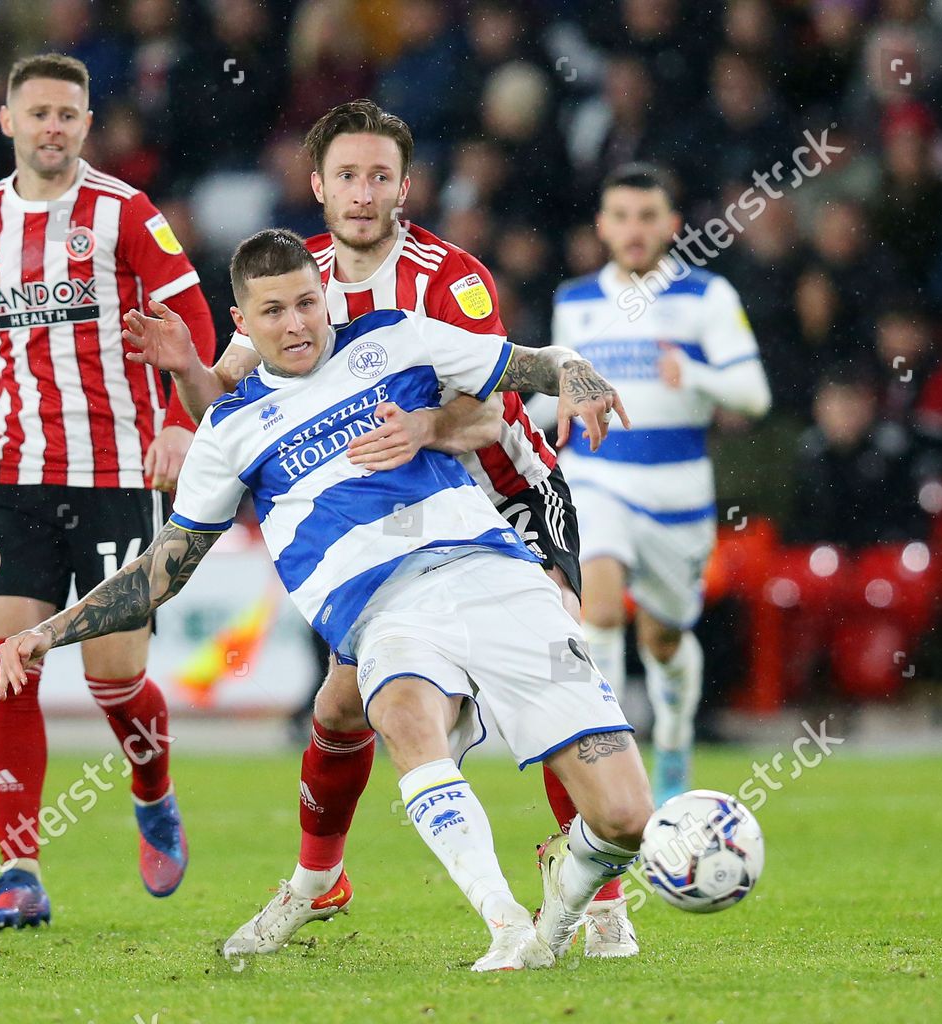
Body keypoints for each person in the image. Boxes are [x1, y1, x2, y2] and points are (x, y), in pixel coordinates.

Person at [0, 228, 655, 971]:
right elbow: (162, 572)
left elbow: (531, 362)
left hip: (493, 571)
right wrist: (48, 634)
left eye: (308, 302)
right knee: (401, 716)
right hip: (383, 615)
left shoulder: (395, 338)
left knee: (626, 816)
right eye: (273, 311)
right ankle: (505, 927)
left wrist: (578, 373)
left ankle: (561, 906)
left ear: (326, 298)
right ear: (241, 323)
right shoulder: (231, 429)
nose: (297, 323)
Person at [131, 99, 637, 957]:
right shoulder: (293, 278)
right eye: (347, 176)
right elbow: (236, 412)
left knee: (549, 679)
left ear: (405, 186)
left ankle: (599, 901)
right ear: (317, 183)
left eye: (380, 176)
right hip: (389, 534)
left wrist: (427, 428)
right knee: (340, 706)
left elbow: (495, 409)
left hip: (505, 499)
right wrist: (186, 378)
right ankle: (319, 881)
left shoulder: (449, 277)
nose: (363, 193)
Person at [0, 53, 217, 930]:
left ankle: (152, 789)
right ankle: (20, 871)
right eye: (37, 113)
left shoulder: (126, 214)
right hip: (17, 477)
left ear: (86, 122)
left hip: (115, 473)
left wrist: (184, 420)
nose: (52, 128)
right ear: (7, 121)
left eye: (68, 114)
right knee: (7, 667)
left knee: (117, 681)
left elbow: (191, 317)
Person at [549, 164, 771, 805]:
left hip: (678, 493)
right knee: (602, 603)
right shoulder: (577, 303)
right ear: (602, 226)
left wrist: (695, 375)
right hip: (597, 478)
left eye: (648, 217)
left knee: (665, 637)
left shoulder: (708, 297)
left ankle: (672, 738)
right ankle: (619, 773)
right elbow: (560, 395)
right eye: (620, 216)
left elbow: (754, 395)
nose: (634, 229)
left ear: (673, 225)